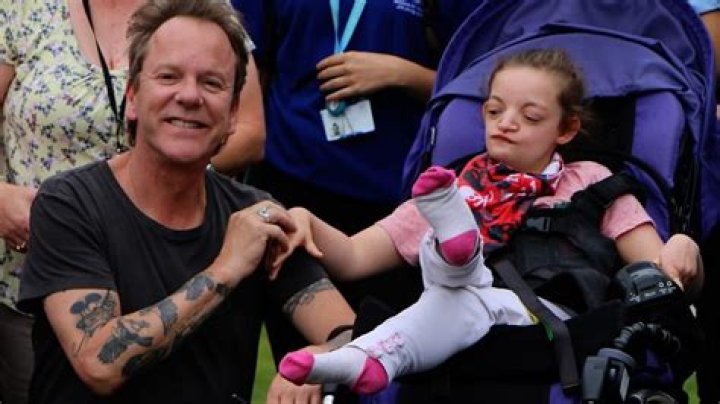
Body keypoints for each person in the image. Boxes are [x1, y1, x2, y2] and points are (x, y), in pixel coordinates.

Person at [271, 49, 703, 394]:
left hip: (553, 328)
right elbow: (352, 257)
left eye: (530, 117)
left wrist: (684, 250)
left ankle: (380, 341)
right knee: (449, 287)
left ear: (566, 128)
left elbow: (661, 272)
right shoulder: (449, 188)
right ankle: (446, 265)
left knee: (457, 293)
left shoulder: (590, 181)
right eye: (495, 111)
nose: (507, 124)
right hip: (456, 327)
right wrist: (306, 218)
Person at [15, 0, 355, 402]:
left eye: (211, 83)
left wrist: (325, 358)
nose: (190, 96)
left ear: (233, 114)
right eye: (169, 76)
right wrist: (226, 268)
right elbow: (99, 363)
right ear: (133, 97)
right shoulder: (68, 204)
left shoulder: (254, 216)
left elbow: (352, 334)